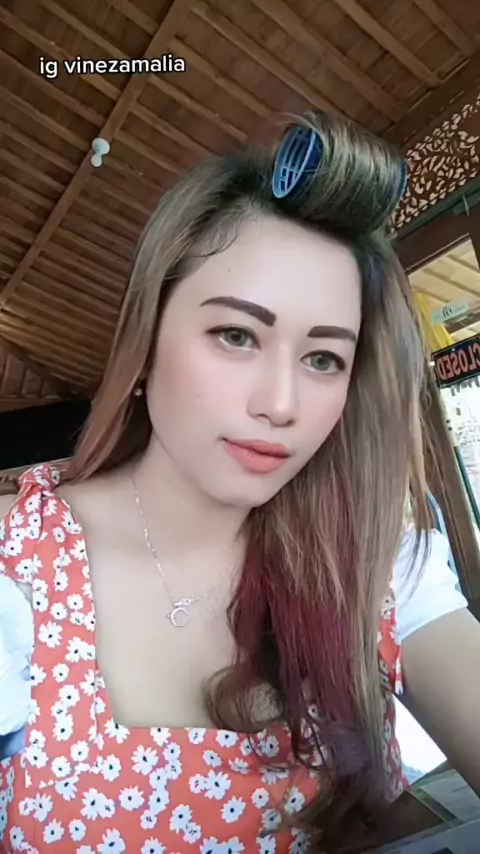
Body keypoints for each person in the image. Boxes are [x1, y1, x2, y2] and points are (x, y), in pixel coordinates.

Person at [0, 111, 478, 854]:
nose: (281, 404)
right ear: (146, 341)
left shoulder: (373, 561)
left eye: (323, 359)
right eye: (236, 335)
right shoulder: (16, 567)